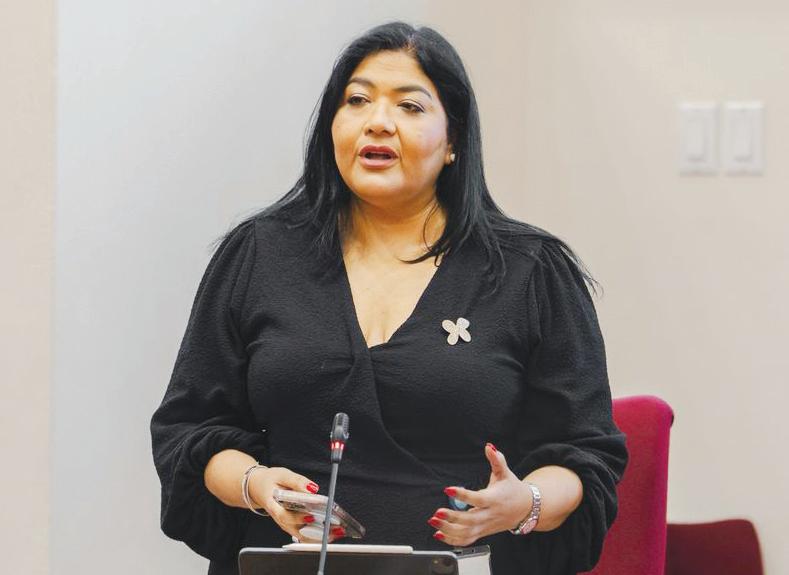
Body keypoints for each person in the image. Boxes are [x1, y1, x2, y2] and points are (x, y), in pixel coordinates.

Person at [150, 21, 628, 575]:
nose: (377, 121)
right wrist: (257, 485)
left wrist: (525, 503)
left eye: (409, 106)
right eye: (357, 100)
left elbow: (585, 455)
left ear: (453, 141)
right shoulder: (258, 252)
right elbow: (190, 430)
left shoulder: (530, 270)